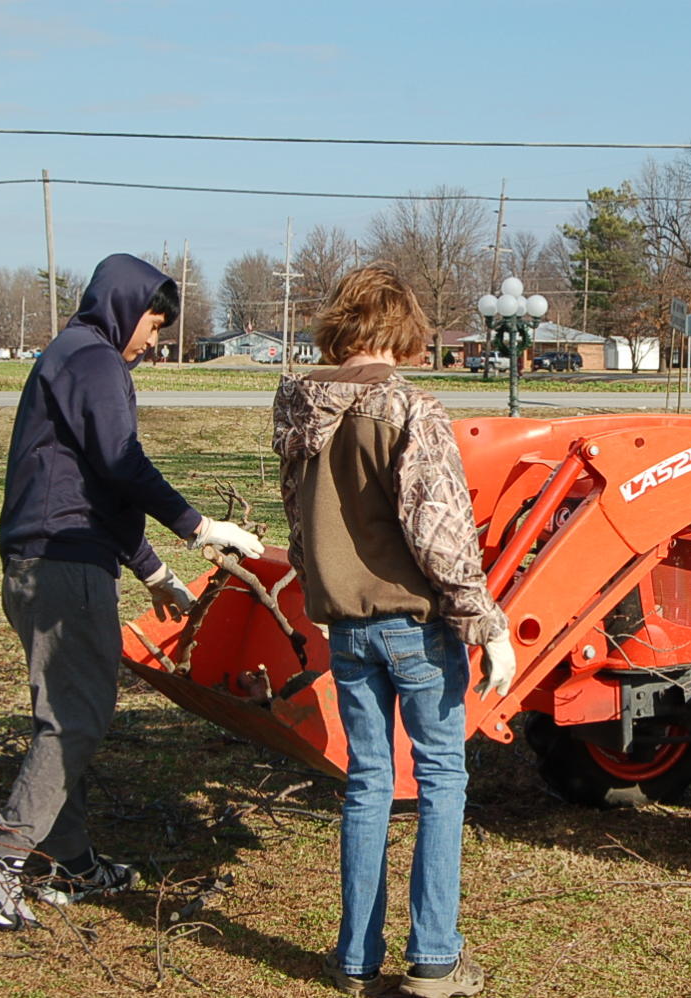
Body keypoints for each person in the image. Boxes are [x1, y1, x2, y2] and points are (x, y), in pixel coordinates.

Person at [0, 253, 264, 930]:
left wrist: (152, 571)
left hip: (46, 560)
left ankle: (70, 863)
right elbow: (124, 466)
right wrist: (200, 527)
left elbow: (97, 482)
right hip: (64, 566)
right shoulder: (94, 361)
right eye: (153, 321)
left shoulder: (74, 357)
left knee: (65, 715)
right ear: (124, 307)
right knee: (76, 721)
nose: (154, 338)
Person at [273, 264, 515, 998]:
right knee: (441, 780)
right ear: (397, 332)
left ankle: (354, 961)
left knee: (367, 785)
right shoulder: (409, 409)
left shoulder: (295, 407)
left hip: (345, 628)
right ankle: (434, 960)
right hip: (415, 627)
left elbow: (294, 518)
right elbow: (438, 531)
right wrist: (485, 620)